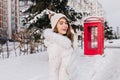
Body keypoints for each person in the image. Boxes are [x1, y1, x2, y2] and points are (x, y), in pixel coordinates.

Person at [44, 13, 78, 80]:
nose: (65, 25)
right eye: (61, 23)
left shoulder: (65, 42)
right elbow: (54, 72)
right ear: (55, 26)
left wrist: (72, 32)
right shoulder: (55, 46)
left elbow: (75, 46)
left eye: (66, 23)